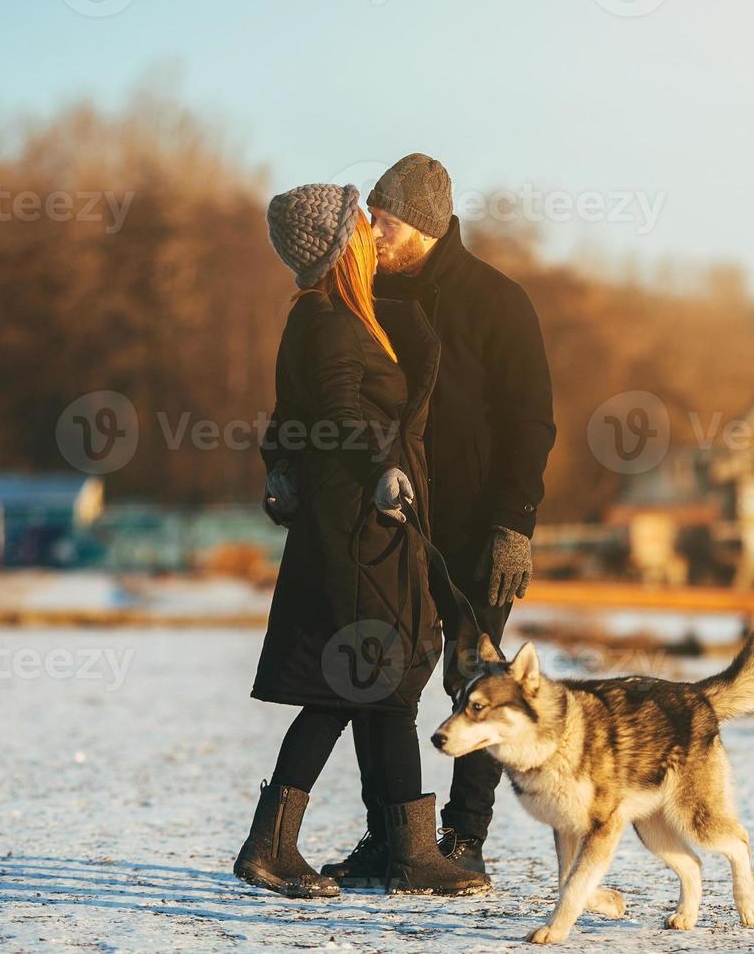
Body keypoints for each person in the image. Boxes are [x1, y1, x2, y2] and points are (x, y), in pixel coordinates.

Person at [275, 156, 557, 889]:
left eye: (386, 218)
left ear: (425, 226)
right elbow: (317, 395)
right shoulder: (365, 293)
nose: (374, 228)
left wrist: (514, 522)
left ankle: (463, 838)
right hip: (397, 523)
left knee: (476, 679)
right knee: (389, 682)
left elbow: (532, 422)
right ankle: (396, 841)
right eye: (369, 213)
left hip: (474, 526)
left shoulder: (498, 300)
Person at [233, 182, 490, 899]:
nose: (373, 236)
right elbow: (342, 412)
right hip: (357, 529)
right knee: (357, 680)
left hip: (364, 525)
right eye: (359, 227)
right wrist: (381, 470)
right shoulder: (328, 322)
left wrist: (281, 468)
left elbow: (290, 420)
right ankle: (273, 846)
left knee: (381, 686)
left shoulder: (340, 317)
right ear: (337, 246)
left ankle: (404, 853)